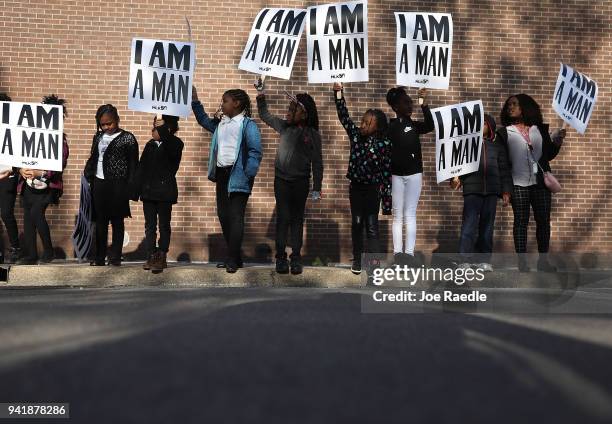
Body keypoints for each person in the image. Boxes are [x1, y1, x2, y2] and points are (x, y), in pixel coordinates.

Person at [255, 78, 323, 275]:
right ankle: (280, 258)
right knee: (283, 219)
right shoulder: (284, 126)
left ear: (304, 113)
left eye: (293, 108)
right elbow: (264, 114)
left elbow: (317, 163)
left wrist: (317, 187)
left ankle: (296, 257)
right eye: (288, 108)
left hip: (301, 182)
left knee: (297, 220)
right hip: (282, 181)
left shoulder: (312, 134)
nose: (288, 111)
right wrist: (261, 94)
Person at [192, 86, 263, 273]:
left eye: (225, 101)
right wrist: (195, 101)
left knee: (236, 216)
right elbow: (202, 119)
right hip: (222, 174)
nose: (222, 104)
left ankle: (232, 258)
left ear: (237, 104)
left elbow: (255, 150)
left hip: (239, 174)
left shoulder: (247, 125)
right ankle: (236, 256)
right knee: (223, 215)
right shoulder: (220, 124)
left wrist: (249, 172)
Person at [497, 94, 566, 272]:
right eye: (508, 105)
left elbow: (548, 155)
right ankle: (522, 262)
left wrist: (557, 142)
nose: (510, 108)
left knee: (543, 221)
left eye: (514, 104)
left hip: (541, 183)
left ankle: (543, 262)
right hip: (518, 183)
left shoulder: (540, 130)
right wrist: (505, 189)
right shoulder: (503, 133)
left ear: (526, 107)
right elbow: (502, 164)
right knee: (521, 221)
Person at [333, 82, 391, 275]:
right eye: (363, 121)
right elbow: (344, 117)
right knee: (357, 223)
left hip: (372, 190)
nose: (363, 125)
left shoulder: (384, 145)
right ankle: (357, 260)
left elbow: (385, 173)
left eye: (368, 123)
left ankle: (374, 266)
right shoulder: (356, 136)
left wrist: (387, 202)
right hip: (356, 189)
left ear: (378, 127)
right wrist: (338, 93)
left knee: (372, 228)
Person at [451, 114, 512, 272]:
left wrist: (506, 191)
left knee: (487, 227)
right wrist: (456, 179)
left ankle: (484, 260)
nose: (480, 126)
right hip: (472, 190)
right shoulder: (467, 145)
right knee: (469, 226)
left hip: (491, 192)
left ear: (490, 127)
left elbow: (504, 170)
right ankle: (464, 260)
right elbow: (459, 166)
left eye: (484, 124)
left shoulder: (497, 147)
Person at [16, 95, 69, 265]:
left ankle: (48, 250)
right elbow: (21, 155)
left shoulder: (60, 139)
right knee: (28, 218)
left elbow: (60, 163)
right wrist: (21, 169)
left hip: (47, 186)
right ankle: (31, 254)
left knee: (36, 213)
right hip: (28, 184)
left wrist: (41, 172)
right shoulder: (31, 134)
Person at [84, 104, 139, 266]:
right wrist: (89, 174)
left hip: (118, 185)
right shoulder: (98, 137)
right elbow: (94, 157)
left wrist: (131, 188)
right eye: (103, 124)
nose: (107, 127)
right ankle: (99, 257)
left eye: (110, 123)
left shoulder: (128, 138)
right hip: (99, 183)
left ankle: (115, 256)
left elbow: (134, 165)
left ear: (117, 120)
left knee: (117, 220)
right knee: (100, 221)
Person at [385, 87, 434, 266]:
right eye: (406, 102)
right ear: (395, 106)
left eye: (411, 101)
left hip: (414, 174)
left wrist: (424, 104)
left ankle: (409, 253)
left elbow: (430, 125)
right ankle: (398, 254)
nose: (410, 104)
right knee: (397, 215)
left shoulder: (414, 125)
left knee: (410, 213)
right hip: (396, 175)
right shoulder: (389, 126)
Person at [137, 114, 184, 273]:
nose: (152, 130)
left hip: (165, 192)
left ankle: (161, 255)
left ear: (167, 129)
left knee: (164, 224)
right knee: (149, 226)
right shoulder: (150, 145)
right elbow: (141, 168)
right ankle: (151, 254)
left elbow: (171, 148)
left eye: (156, 128)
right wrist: (136, 189)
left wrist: (163, 129)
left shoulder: (175, 144)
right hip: (148, 192)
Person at [0, 93, 22, 263]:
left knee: (6, 213)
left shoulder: (15, 129)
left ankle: (15, 247)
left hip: (8, 176)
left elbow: (22, 152)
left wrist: (12, 170)